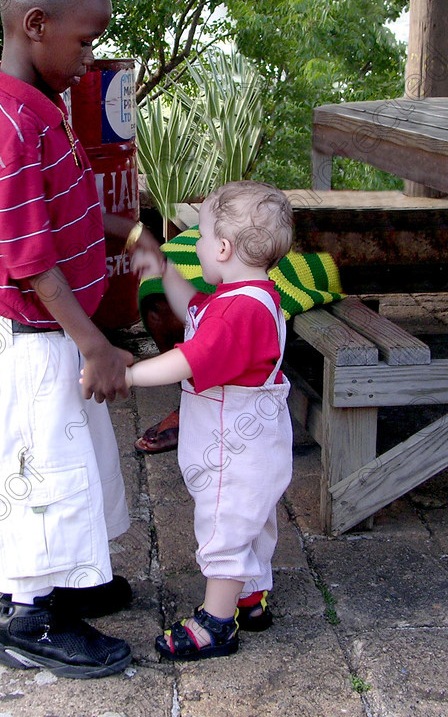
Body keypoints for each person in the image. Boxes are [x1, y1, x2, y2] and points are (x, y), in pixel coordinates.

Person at [0, 0, 162, 677]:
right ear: (37, 24)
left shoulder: (40, 109)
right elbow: (32, 259)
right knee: (35, 474)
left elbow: (69, 212)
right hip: (27, 342)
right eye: (86, 41)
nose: (91, 57)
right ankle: (26, 617)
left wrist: (134, 232)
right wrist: (97, 347)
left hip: (52, 334)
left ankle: (67, 583)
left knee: (73, 462)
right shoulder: (11, 129)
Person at [123, 180, 294, 661]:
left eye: (200, 236)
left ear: (222, 247)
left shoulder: (239, 312)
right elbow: (190, 310)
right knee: (250, 523)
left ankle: (216, 624)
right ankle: (250, 599)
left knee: (223, 525)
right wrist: (162, 268)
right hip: (253, 445)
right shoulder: (245, 296)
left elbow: (188, 357)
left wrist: (131, 373)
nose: (195, 245)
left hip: (231, 450)